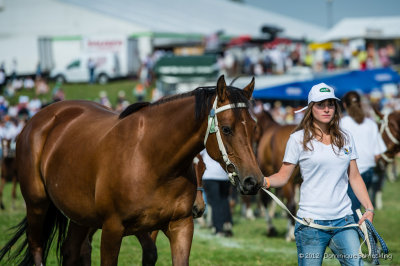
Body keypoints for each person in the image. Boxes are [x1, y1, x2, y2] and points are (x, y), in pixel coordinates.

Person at [263, 83, 374, 265]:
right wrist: (263, 181)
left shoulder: (346, 137)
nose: (326, 109)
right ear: (310, 108)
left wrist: (369, 208)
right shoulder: (297, 139)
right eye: (320, 104)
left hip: (344, 221)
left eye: (330, 104)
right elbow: (283, 176)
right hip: (311, 224)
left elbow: (354, 176)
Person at [341, 91, 386, 221]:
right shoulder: (371, 124)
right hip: (368, 172)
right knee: (359, 208)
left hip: (351, 172)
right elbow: (378, 153)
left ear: (344, 105)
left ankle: (366, 239)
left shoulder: (342, 123)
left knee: (353, 211)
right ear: (360, 104)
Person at [200, 149, 233, 237]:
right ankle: (227, 224)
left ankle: (218, 229)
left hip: (210, 175)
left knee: (215, 203)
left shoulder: (206, 142)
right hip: (224, 175)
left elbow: (199, 155)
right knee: (224, 200)